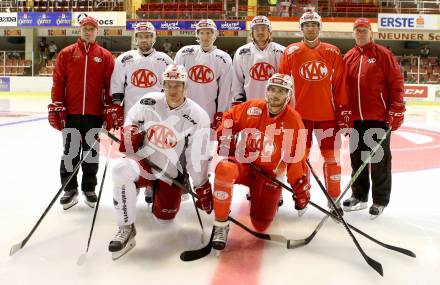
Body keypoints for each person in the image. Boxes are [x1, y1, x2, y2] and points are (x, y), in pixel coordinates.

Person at [108, 64, 213, 259]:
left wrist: (201, 185)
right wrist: (130, 131)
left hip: (170, 173)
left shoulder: (198, 116)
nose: (173, 90)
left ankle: (164, 196)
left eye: (178, 85)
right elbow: (131, 118)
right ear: (162, 85)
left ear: (185, 86)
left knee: (164, 220)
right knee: (120, 169)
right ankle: (126, 227)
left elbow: (195, 156)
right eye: (169, 85)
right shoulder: (149, 101)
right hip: (144, 164)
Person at [211, 73, 310, 250]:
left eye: (281, 91)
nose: (275, 95)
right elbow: (229, 117)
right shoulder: (253, 107)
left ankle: (264, 196)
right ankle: (220, 225)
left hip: (269, 175)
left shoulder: (293, 120)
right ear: (267, 91)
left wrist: (300, 187)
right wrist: (226, 138)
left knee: (261, 224)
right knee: (224, 170)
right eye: (272, 90)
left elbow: (297, 158)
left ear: (288, 95)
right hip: (245, 165)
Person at [279, 10, 350, 214]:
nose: (310, 28)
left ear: (319, 28)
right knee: (300, 159)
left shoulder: (333, 51)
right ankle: (303, 196)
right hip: (300, 117)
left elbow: (339, 84)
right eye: (307, 25)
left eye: (314, 25)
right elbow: (282, 83)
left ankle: (334, 198)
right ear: (301, 28)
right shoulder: (291, 51)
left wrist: (343, 112)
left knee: (333, 159)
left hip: (328, 117)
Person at [48, 16, 115, 210]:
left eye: (92, 28)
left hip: (94, 114)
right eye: (85, 28)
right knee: (70, 152)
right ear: (80, 30)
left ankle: (89, 188)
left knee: (91, 153)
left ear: (97, 31)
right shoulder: (66, 53)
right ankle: (69, 189)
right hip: (71, 114)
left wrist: (110, 107)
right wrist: (57, 104)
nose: (88, 31)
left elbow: (110, 85)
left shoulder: (105, 56)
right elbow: (58, 82)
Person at [342, 18, 405, 217]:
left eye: (364, 30)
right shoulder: (349, 57)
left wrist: (397, 107)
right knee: (357, 159)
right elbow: (343, 88)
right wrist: (343, 112)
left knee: (379, 160)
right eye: (357, 30)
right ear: (353, 34)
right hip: (355, 119)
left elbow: (396, 82)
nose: (360, 33)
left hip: (378, 117)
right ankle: (359, 196)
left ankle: (380, 200)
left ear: (371, 33)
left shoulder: (383, 54)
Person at [106, 21, 173, 203]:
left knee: (154, 152)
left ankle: (151, 185)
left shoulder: (165, 60)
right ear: (136, 38)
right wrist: (116, 109)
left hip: (156, 116)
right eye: (141, 36)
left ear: (154, 38)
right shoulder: (125, 59)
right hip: (131, 116)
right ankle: (131, 183)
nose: (144, 40)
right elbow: (118, 87)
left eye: (148, 36)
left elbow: (170, 88)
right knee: (130, 152)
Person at [174, 19, 232, 130]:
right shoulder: (184, 53)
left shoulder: (223, 58)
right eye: (202, 33)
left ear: (215, 35)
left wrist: (221, 113)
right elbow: (174, 83)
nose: (205, 36)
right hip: (183, 111)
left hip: (208, 113)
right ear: (197, 34)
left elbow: (225, 90)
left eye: (208, 33)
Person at [231, 15, 285, 104]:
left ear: (270, 32)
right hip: (250, 104)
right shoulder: (242, 52)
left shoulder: (282, 51)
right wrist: (238, 100)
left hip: (276, 105)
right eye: (256, 29)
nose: (260, 32)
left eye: (263, 28)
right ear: (251, 32)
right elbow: (237, 80)